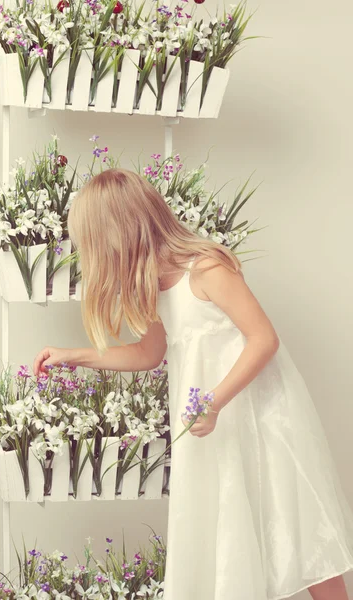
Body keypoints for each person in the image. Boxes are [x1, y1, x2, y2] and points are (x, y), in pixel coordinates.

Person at [33, 168, 353, 600]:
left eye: (92, 239)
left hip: (261, 419)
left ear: (121, 229)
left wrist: (215, 401)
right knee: (229, 537)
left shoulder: (206, 269)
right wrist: (75, 355)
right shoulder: (155, 287)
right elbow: (149, 354)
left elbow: (264, 339)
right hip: (214, 430)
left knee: (297, 532)